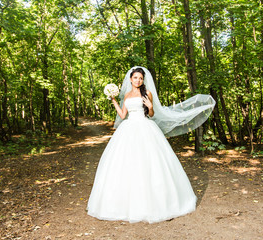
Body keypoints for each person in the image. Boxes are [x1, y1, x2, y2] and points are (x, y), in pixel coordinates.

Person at [87, 67, 215, 223]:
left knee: (151, 162)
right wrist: (114, 100)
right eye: (135, 78)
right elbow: (122, 115)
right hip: (128, 128)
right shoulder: (127, 95)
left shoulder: (147, 93)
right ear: (130, 79)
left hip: (145, 126)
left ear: (143, 80)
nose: (138, 80)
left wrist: (151, 106)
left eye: (140, 78)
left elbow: (152, 114)